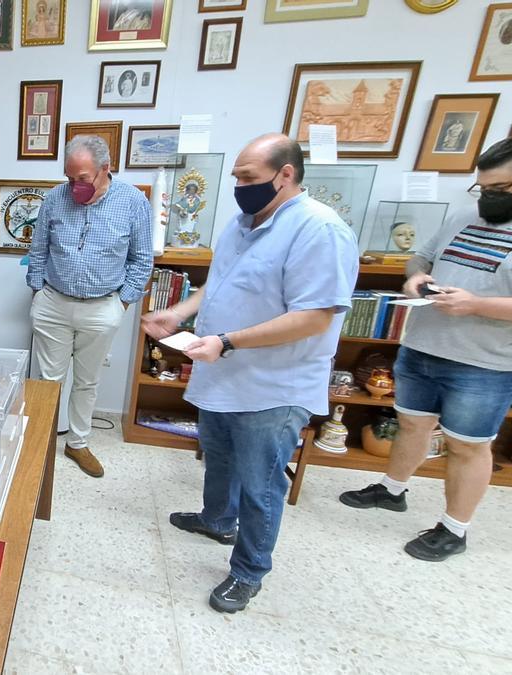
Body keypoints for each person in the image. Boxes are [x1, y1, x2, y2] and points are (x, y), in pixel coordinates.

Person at [143, 133, 358, 613]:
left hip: (274, 385)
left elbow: (315, 316)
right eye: (237, 176)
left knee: (260, 481)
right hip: (223, 372)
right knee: (217, 456)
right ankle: (218, 520)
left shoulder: (320, 229)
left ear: (286, 174)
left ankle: (249, 571)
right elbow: (218, 284)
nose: (239, 186)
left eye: (248, 177)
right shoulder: (240, 224)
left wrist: (228, 341)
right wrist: (181, 312)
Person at [339, 137, 512, 562]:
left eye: (499, 190)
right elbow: (421, 259)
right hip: (424, 344)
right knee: (410, 424)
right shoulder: (468, 217)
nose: (487, 198)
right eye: (482, 188)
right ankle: (392, 490)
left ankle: (454, 528)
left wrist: (478, 305)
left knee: (468, 445)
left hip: (489, 362)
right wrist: (415, 279)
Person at [27, 135, 153, 478]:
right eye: (69, 179)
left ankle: (77, 444)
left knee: (87, 381)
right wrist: (38, 292)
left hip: (102, 306)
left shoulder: (132, 202)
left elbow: (142, 261)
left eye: (81, 179)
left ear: (104, 169)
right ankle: (41, 442)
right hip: (53, 301)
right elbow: (38, 251)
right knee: (48, 380)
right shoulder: (55, 198)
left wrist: (121, 304)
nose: (74, 187)